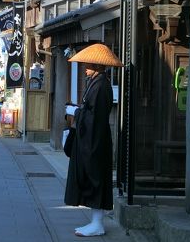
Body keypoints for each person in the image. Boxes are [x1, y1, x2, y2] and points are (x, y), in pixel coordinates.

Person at [64, 43, 120, 237]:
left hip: (95, 141)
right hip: (93, 138)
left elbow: (94, 117)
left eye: (88, 64)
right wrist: (79, 111)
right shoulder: (96, 82)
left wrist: (76, 112)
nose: (85, 66)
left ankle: (97, 224)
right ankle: (95, 223)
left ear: (97, 66)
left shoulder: (101, 85)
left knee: (96, 178)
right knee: (92, 178)